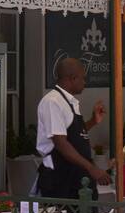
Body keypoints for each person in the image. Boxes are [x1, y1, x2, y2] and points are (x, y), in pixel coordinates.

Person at [35, 57, 109, 200]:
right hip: (61, 178)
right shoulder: (53, 102)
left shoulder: (69, 101)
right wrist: (92, 168)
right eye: (82, 78)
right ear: (72, 78)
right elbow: (61, 143)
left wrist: (93, 121)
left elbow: (73, 135)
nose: (84, 82)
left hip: (78, 176)